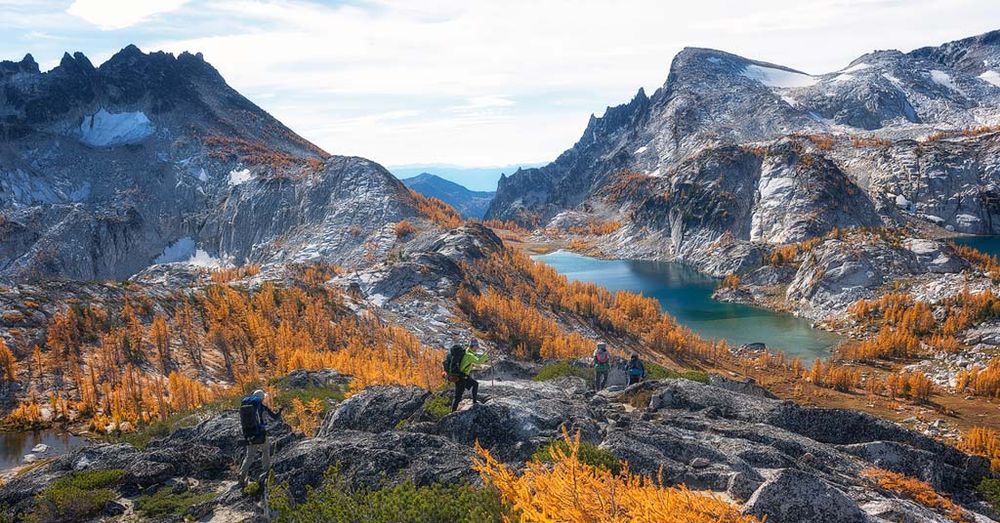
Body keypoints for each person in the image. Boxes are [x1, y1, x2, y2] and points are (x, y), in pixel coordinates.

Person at [238, 389, 283, 487]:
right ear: (262, 398)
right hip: (260, 434)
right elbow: (275, 417)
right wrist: (280, 410)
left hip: (248, 434)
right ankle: (266, 471)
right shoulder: (262, 407)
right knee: (265, 451)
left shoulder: (245, 405)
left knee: (249, 456)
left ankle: (242, 473)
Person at [446, 338, 489, 411]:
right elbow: (479, 361)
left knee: (475, 384)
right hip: (461, 377)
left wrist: (486, 358)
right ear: (473, 346)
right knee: (458, 396)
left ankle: (474, 402)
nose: (477, 348)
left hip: (462, 375)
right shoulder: (469, 355)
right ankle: (453, 412)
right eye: (476, 347)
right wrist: (486, 355)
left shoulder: (467, 352)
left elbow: (477, 358)